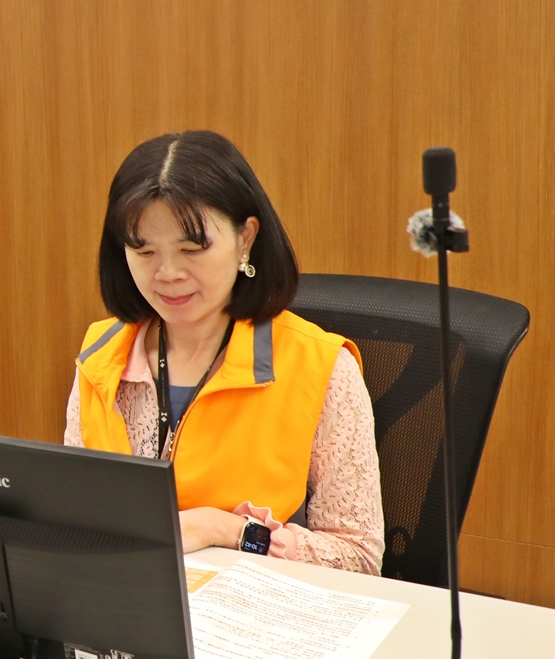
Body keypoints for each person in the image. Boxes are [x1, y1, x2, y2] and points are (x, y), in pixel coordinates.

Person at [64, 131, 384, 574]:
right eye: (144, 250)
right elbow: (77, 523)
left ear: (245, 239)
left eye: (192, 248)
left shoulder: (322, 369)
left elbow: (360, 559)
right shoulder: (101, 359)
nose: (168, 273)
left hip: (258, 608)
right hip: (129, 598)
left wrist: (225, 530)